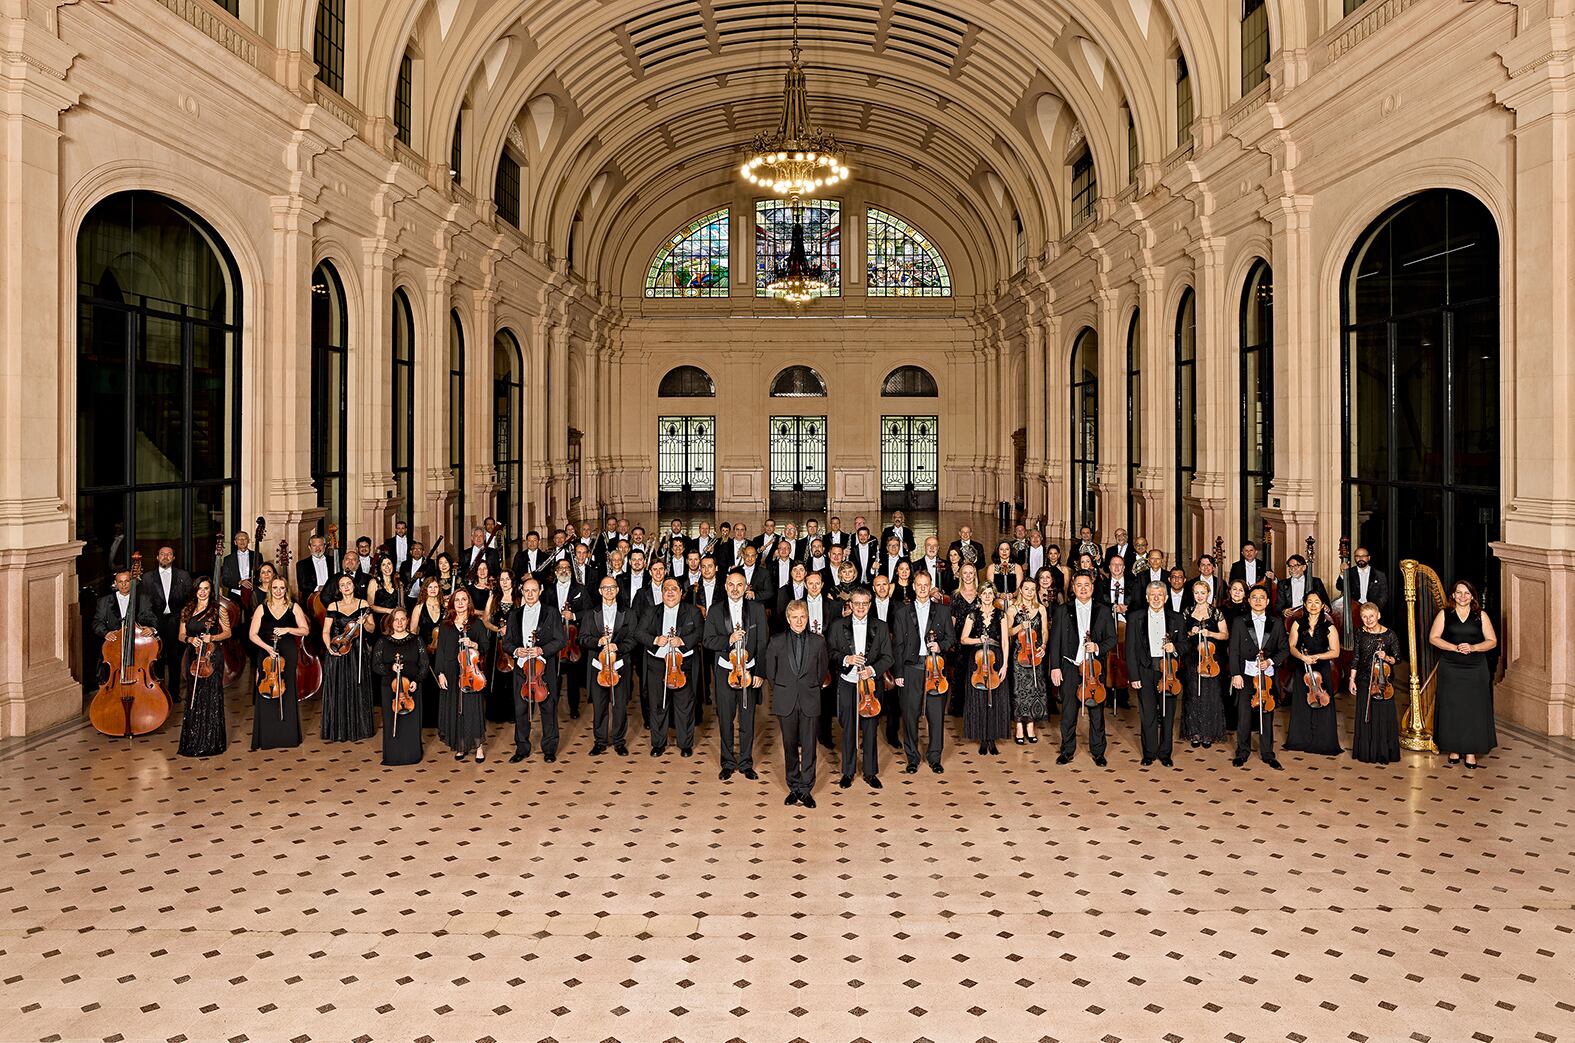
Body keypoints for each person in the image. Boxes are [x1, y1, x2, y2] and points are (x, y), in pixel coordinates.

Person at [703, 569, 769, 781]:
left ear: (746, 586)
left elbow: (762, 643)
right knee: (725, 718)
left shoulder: (757, 609)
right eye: (731, 584)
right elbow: (707, 640)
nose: (735, 589)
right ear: (725, 586)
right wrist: (728, 639)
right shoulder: (714, 610)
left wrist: (760, 673)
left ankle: (746, 763)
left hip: (748, 671)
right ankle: (728, 762)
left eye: (739, 585)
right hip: (725, 671)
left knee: (747, 718)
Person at [763, 600, 830, 808]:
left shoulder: (818, 642)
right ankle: (794, 787)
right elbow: (770, 673)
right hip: (786, 700)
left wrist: (809, 688)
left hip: (810, 699)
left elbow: (822, 672)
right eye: (795, 617)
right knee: (789, 745)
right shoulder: (776, 641)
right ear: (788, 619)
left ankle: (806, 789)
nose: (799, 621)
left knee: (810, 746)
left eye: (803, 617)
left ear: (807, 617)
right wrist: (785, 689)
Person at [890, 571, 958, 774]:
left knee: (936, 716)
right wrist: (899, 672)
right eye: (918, 584)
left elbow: (951, 639)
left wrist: (941, 645)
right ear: (913, 586)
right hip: (911, 669)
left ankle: (935, 757)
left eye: (925, 585)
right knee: (910, 716)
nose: (922, 588)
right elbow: (898, 645)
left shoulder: (943, 611)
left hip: (934, 669)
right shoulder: (902, 613)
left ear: (931, 587)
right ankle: (912, 758)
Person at [828, 587, 893, 789]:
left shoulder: (881, 627)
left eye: (864, 603)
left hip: (871, 686)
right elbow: (830, 653)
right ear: (851, 604)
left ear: (870, 605)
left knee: (870, 728)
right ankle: (848, 772)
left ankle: (870, 772)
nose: (860, 607)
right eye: (856, 603)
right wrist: (846, 658)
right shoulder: (838, 626)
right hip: (848, 683)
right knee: (848, 728)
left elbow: (888, 657)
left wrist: (872, 670)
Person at [1430, 579, 1498, 769]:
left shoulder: (1480, 615)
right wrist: (1454, 647)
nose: (1462, 597)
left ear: (1472, 596)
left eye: (1466, 593)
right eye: (1459, 593)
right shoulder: (1444, 614)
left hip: (1475, 669)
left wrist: (1474, 647)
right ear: (1453, 595)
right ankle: (1453, 749)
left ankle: (1470, 752)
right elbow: (1433, 638)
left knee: (1473, 710)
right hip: (1450, 667)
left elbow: (1492, 641)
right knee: (1452, 708)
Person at [1052, 573, 1117, 766]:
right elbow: (1055, 642)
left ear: (1092, 587)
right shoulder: (1063, 610)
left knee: (1096, 711)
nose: (1083, 588)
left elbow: (1111, 639)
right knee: (1069, 711)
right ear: (1073, 587)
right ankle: (1067, 750)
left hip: (1093, 669)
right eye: (1078, 585)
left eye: (1086, 585)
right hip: (1070, 666)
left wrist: (1097, 647)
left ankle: (1098, 752)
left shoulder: (1103, 611)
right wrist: (1055, 667)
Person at [636, 577, 701, 758]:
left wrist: (683, 641)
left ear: (681, 592)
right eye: (666, 589)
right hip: (657, 664)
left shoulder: (692, 611)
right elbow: (639, 633)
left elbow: (700, 632)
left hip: (683, 665)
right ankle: (658, 743)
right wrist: (655, 640)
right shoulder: (651, 611)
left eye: (674, 588)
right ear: (662, 593)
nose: (670, 592)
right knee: (658, 705)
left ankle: (685, 744)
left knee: (684, 706)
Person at [505, 576, 566, 763]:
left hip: (543, 669)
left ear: (540, 591)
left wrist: (541, 650)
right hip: (521, 669)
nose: (530, 594)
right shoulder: (514, 614)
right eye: (526, 591)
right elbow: (506, 643)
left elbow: (560, 640)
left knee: (548, 708)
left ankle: (549, 748)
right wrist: (516, 650)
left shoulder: (552, 613)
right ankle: (522, 748)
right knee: (520, 709)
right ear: (522, 592)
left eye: (534, 590)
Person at [1126, 581, 1185, 766]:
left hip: (1168, 672)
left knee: (1168, 714)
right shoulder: (1135, 617)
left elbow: (1185, 645)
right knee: (1147, 713)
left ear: (1166, 598)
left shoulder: (1177, 618)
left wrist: (1174, 646)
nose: (1156, 598)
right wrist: (1134, 676)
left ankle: (1165, 753)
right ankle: (1149, 753)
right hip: (1145, 670)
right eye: (1153, 595)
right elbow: (1130, 649)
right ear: (1147, 597)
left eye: (1160, 595)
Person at [1229, 585, 1288, 769]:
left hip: (1267, 678)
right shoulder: (1239, 621)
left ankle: (1268, 754)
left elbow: (1284, 649)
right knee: (1244, 715)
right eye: (1254, 597)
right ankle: (1242, 752)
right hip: (1246, 674)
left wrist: (1270, 661)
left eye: (1262, 597)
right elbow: (1234, 650)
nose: (1258, 601)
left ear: (1268, 601)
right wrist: (1235, 674)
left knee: (1267, 714)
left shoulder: (1276, 622)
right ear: (1249, 600)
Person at [249, 576, 309, 750]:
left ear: (286, 590)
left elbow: (305, 630)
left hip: (287, 653)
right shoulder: (262, 608)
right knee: (265, 691)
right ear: (270, 589)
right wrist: (267, 648)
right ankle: (267, 736)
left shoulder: (293, 607)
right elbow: (252, 634)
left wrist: (288, 629)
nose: (277, 591)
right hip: (266, 653)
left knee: (287, 689)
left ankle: (288, 736)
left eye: (281, 588)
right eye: (274, 588)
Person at [580, 576, 636, 757]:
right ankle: (600, 741)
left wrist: (617, 646)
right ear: (600, 591)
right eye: (605, 588)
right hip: (598, 666)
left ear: (618, 590)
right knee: (600, 705)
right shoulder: (590, 613)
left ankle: (619, 741)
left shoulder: (628, 613)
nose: (609, 591)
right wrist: (598, 642)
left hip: (619, 665)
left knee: (619, 705)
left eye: (612, 587)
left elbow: (634, 639)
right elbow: (582, 638)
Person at [435, 588, 492, 761]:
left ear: (469, 602)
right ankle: (460, 745)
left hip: (469, 673)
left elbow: (486, 646)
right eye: (457, 600)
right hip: (451, 672)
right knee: (455, 709)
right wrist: (440, 673)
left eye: (464, 599)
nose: (460, 603)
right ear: (452, 603)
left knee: (472, 709)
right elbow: (441, 651)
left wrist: (474, 644)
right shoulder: (446, 625)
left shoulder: (476, 623)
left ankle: (478, 746)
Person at [176, 577, 231, 757]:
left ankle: (211, 742)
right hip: (193, 657)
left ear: (210, 590)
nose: (202, 592)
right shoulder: (187, 609)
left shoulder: (218, 610)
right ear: (195, 590)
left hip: (211, 656)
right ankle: (192, 741)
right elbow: (181, 635)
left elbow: (228, 632)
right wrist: (190, 639)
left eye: (206, 588)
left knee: (210, 696)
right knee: (194, 695)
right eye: (199, 588)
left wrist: (212, 638)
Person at [1283, 591, 1343, 755]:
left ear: (1323, 605)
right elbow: (1292, 647)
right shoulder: (1297, 624)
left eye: (1317, 602)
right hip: (1302, 669)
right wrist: (1303, 657)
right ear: (1304, 604)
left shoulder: (1329, 627)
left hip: (1322, 670)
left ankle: (1322, 742)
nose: (1313, 605)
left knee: (1323, 704)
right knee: (1302, 703)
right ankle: (1300, 740)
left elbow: (1335, 652)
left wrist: (1316, 657)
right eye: (1310, 602)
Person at [319, 573, 376, 742]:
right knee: (338, 687)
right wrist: (329, 647)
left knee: (357, 687)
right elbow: (325, 631)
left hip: (358, 651)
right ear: (339, 588)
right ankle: (338, 729)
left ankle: (359, 728)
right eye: (342, 584)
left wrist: (363, 623)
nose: (346, 586)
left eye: (348, 583)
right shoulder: (333, 606)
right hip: (337, 649)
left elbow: (372, 629)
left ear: (353, 585)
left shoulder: (363, 604)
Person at [373, 608, 430, 766]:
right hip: (390, 689)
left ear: (407, 620)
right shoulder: (382, 641)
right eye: (396, 619)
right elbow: (376, 665)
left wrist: (417, 680)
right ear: (391, 622)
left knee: (412, 722)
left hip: (411, 688)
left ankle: (413, 755)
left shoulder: (416, 640)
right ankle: (393, 755)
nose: (399, 623)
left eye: (403, 619)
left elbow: (424, 663)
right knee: (392, 721)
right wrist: (391, 668)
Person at [959, 585, 1010, 755]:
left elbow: (1004, 642)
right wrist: (977, 639)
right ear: (979, 596)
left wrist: (1005, 665)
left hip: (996, 660)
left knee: (996, 698)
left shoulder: (1001, 615)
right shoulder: (972, 615)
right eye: (984, 593)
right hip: (978, 660)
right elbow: (963, 639)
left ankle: (992, 739)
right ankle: (982, 738)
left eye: (990, 593)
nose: (987, 596)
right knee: (979, 698)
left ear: (993, 596)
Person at [1349, 601, 1402, 765]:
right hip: (1365, 679)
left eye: (1371, 616)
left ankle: (1383, 752)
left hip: (1383, 681)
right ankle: (1366, 752)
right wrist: (1352, 679)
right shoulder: (1360, 633)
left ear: (1378, 615)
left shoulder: (1390, 635)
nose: (1368, 620)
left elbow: (1397, 659)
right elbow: (1356, 658)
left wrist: (1385, 657)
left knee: (1383, 715)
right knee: (1366, 715)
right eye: (1364, 617)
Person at [1179, 580, 1229, 748]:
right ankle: (1194, 732)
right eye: (1196, 593)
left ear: (1209, 593)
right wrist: (1189, 633)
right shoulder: (1187, 611)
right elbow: (1180, 636)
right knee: (1193, 693)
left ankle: (1208, 732)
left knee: (1211, 694)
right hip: (1192, 657)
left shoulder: (1216, 613)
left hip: (1212, 658)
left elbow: (1225, 635)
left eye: (1202, 592)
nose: (1199, 596)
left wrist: (1211, 633)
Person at [141, 544, 193, 696]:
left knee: (175, 658)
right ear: (157, 557)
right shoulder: (147, 578)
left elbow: (190, 601)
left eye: (169, 554)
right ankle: (158, 693)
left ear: (173, 558)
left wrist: (185, 620)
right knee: (156, 658)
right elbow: (144, 603)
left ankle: (174, 692)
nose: (165, 556)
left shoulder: (183, 576)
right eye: (162, 554)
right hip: (155, 623)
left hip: (176, 622)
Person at [1005, 582, 1049, 744]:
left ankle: (1030, 725)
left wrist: (1043, 645)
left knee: (1034, 690)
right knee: (1019, 690)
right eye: (1026, 589)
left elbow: (1044, 631)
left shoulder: (1041, 608)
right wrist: (1020, 627)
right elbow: (1008, 632)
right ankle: (1018, 726)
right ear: (1021, 591)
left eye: (1032, 589)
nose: (1029, 592)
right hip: (1019, 655)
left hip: (1035, 654)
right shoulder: (1012, 609)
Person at [92, 568, 157, 639]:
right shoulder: (104, 601)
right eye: (120, 582)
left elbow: (153, 619)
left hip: (140, 640)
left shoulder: (144, 599)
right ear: (115, 583)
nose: (124, 584)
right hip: (114, 642)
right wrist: (106, 633)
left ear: (132, 582)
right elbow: (97, 622)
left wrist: (152, 629)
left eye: (127, 581)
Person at [1337, 546, 1390, 616]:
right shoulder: (1349, 573)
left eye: (1363, 556)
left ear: (1368, 558)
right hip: (1353, 610)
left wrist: (1375, 609)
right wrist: (1342, 573)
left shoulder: (1379, 575)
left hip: (1372, 611)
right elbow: (1339, 587)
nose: (1360, 558)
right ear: (1354, 558)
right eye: (1357, 556)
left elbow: (1384, 596)